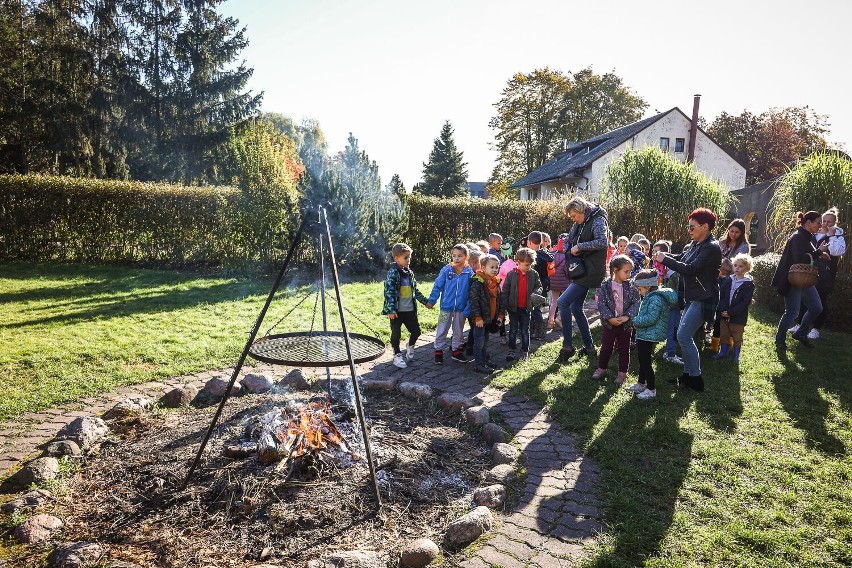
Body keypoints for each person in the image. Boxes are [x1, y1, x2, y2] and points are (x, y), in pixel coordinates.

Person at [654, 208, 723, 392]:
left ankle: (696, 379)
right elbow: (682, 258)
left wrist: (665, 260)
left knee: (683, 336)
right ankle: (687, 375)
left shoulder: (711, 247)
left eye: (692, 227)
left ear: (705, 227)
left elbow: (691, 269)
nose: (689, 230)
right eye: (688, 226)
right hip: (694, 296)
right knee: (685, 336)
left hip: (704, 297)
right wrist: (664, 256)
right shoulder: (697, 243)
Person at [557, 196, 609, 362]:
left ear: (582, 210)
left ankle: (568, 346)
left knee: (563, 302)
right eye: (571, 217)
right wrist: (568, 248)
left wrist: (580, 247)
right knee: (575, 308)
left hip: (591, 270)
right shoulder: (579, 223)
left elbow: (603, 242)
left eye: (574, 216)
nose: (573, 219)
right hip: (579, 270)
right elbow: (568, 240)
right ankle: (589, 347)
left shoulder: (598, 220)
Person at [771, 211, 827, 350]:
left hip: (804, 279)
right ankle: (780, 340)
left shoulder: (806, 237)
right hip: (793, 279)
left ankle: (800, 333)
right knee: (792, 312)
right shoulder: (798, 237)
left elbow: (809, 256)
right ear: (809, 223)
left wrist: (820, 254)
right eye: (818, 222)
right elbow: (800, 259)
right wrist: (819, 252)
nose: (820, 226)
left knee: (816, 307)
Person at [792, 207, 846, 339]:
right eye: (824, 221)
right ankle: (799, 324)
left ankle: (816, 329)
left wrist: (832, 236)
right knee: (804, 298)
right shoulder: (814, 234)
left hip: (826, 274)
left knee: (821, 300)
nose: (826, 224)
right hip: (809, 271)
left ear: (835, 223)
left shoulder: (837, 235)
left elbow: (836, 252)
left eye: (829, 222)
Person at [625, 269, 678, 399]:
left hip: (649, 334)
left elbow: (651, 318)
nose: (639, 291)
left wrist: (635, 321)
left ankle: (651, 389)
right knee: (643, 360)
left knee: (645, 362)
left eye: (640, 289)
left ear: (648, 286)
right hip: (646, 333)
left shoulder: (655, 299)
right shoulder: (650, 296)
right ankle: (641, 383)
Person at [382, 243, 432, 369]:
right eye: (405, 257)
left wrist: (425, 301)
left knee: (416, 331)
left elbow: (415, 291)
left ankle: (410, 345)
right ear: (396, 258)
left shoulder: (409, 273)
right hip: (397, 311)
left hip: (409, 310)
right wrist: (391, 309)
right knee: (396, 334)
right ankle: (397, 355)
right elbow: (389, 292)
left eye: (409, 257)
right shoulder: (393, 273)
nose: (408, 260)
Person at [593, 255, 640, 384]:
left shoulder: (631, 287)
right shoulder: (605, 287)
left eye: (630, 272)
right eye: (626, 271)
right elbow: (601, 304)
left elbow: (636, 303)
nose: (629, 274)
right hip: (609, 325)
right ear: (615, 270)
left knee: (624, 349)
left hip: (625, 325)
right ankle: (602, 368)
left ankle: (622, 373)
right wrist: (610, 318)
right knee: (606, 348)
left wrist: (627, 316)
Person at [427, 244, 474, 364]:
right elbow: (437, 286)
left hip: (461, 309)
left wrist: (467, 308)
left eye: (460, 256)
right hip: (445, 308)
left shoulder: (470, 273)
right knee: (442, 329)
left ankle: (456, 351)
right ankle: (438, 350)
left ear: (466, 257)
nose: (456, 258)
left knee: (458, 330)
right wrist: (432, 300)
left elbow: (471, 292)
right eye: (454, 256)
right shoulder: (446, 270)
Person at [501, 247, 541, 361]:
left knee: (525, 331)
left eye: (530, 265)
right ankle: (511, 350)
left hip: (526, 308)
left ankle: (525, 351)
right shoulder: (511, 274)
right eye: (527, 265)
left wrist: (535, 294)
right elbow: (505, 291)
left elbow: (539, 286)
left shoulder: (534, 274)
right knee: (513, 330)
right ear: (518, 262)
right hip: (513, 308)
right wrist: (503, 307)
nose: (529, 267)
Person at [713, 253, 755, 363]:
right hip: (724, 314)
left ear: (747, 268)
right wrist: (723, 310)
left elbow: (745, 302)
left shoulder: (748, 284)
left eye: (741, 266)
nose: (737, 268)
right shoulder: (729, 279)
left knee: (737, 336)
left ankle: (736, 356)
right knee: (724, 334)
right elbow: (722, 295)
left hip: (738, 316)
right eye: (735, 265)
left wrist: (731, 312)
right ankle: (723, 352)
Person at [468, 254, 505, 373]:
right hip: (480, 319)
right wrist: (477, 317)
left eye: (496, 267)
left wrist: (500, 315)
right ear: (483, 267)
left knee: (485, 340)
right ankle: (478, 364)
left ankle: (484, 359)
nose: (495, 270)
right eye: (492, 267)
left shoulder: (495, 282)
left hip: (490, 318)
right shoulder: (478, 282)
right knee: (479, 342)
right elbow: (474, 301)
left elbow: (500, 300)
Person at [653, 240, 684, 365]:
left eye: (657, 253)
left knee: (673, 327)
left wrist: (681, 305)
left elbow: (679, 291)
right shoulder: (660, 272)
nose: (654, 255)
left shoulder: (675, 274)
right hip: (665, 304)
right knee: (667, 327)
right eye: (653, 252)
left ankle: (670, 353)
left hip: (674, 306)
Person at [526, 231, 553, 340]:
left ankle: (540, 332)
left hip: (534, 285)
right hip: (545, 283)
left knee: (535, 308)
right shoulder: (545, 253)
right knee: (534, 307)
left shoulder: (531, 256)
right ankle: (532, 329)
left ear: (530, 242)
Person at [708, 257, 733, 353]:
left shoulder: (718, 280)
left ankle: (714, 346)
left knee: (717, 328)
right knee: (728, 328)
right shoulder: (730, 280)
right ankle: (730, 345)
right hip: (727, 308)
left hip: (719, 308)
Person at [548, 233, 571, 330]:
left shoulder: (552, 254)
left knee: (554, 302)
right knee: (568, 302)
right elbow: (567, 272)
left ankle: (550, 322)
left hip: (553, 282)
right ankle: (559, 318)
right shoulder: (567, 257)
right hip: (564, 283)